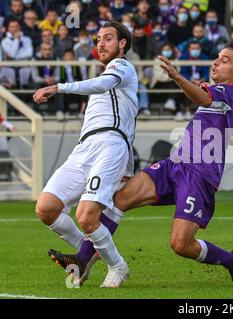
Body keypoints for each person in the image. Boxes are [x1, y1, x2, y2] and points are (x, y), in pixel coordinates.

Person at [49, 40, 233, 288]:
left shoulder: (227, 93)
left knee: (181, 245)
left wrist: (177, 76)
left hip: (199, 176)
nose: (216, 62)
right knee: (119, 199)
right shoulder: (223, 96)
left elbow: (204, 99)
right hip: (174, 166)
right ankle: (83, 259)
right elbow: (221, 119)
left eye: (224, 59)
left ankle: (232, 261)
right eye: (217, 57)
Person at [33, 21, 138, 288]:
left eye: (108, 38)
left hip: (111, 143)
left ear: (122, 43)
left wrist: (59, 87)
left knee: (86, 215)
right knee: (46, 208)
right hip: (84, 148)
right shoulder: (104, 76)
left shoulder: (122, 66)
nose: (101, 43)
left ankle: (117, 266)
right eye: (98, 39)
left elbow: (103, 86)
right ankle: (89, 250)